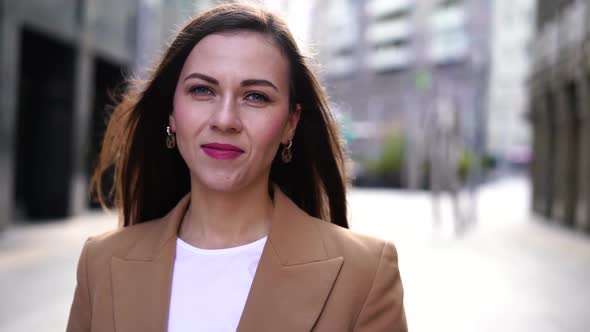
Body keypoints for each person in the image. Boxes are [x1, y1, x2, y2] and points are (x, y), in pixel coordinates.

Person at [66, 3, 407, 331]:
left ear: (290, 123)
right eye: (202, 90)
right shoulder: (101, 262)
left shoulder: (365, 274)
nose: (225, 120)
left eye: (255, 96)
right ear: (172, 112)